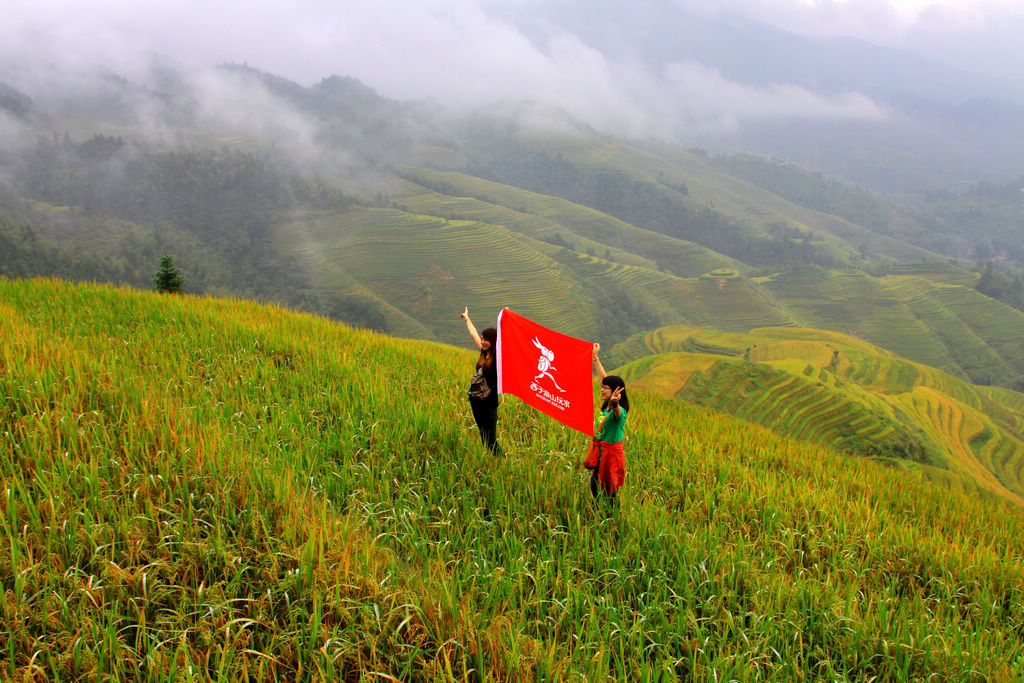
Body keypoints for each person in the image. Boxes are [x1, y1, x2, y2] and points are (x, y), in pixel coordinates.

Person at [588, 343, 628, 501]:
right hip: (601, 452)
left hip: (611, 455)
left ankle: (612, 517)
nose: (602, 389)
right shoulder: (605, 405)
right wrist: (595, 358)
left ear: (615, 393)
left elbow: (617, 410)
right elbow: (603, 379)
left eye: (606, 388)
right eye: (602, 387)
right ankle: (601, 512)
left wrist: (615, 403)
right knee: (595, 484)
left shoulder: (619, 412)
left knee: (610, 490)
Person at [460, 306, 502, 455]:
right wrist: (467, 318)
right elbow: (473, 334)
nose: (483, 342)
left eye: (486, 340)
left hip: (489, 403)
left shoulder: (498, 359)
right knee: (484, 437)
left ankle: (502, 461)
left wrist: (506, 319)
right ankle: (494, 462)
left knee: (490, 439)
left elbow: (506, 340)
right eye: (482, 339)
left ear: (493, 341)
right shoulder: (484, 353)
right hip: (476, 400)